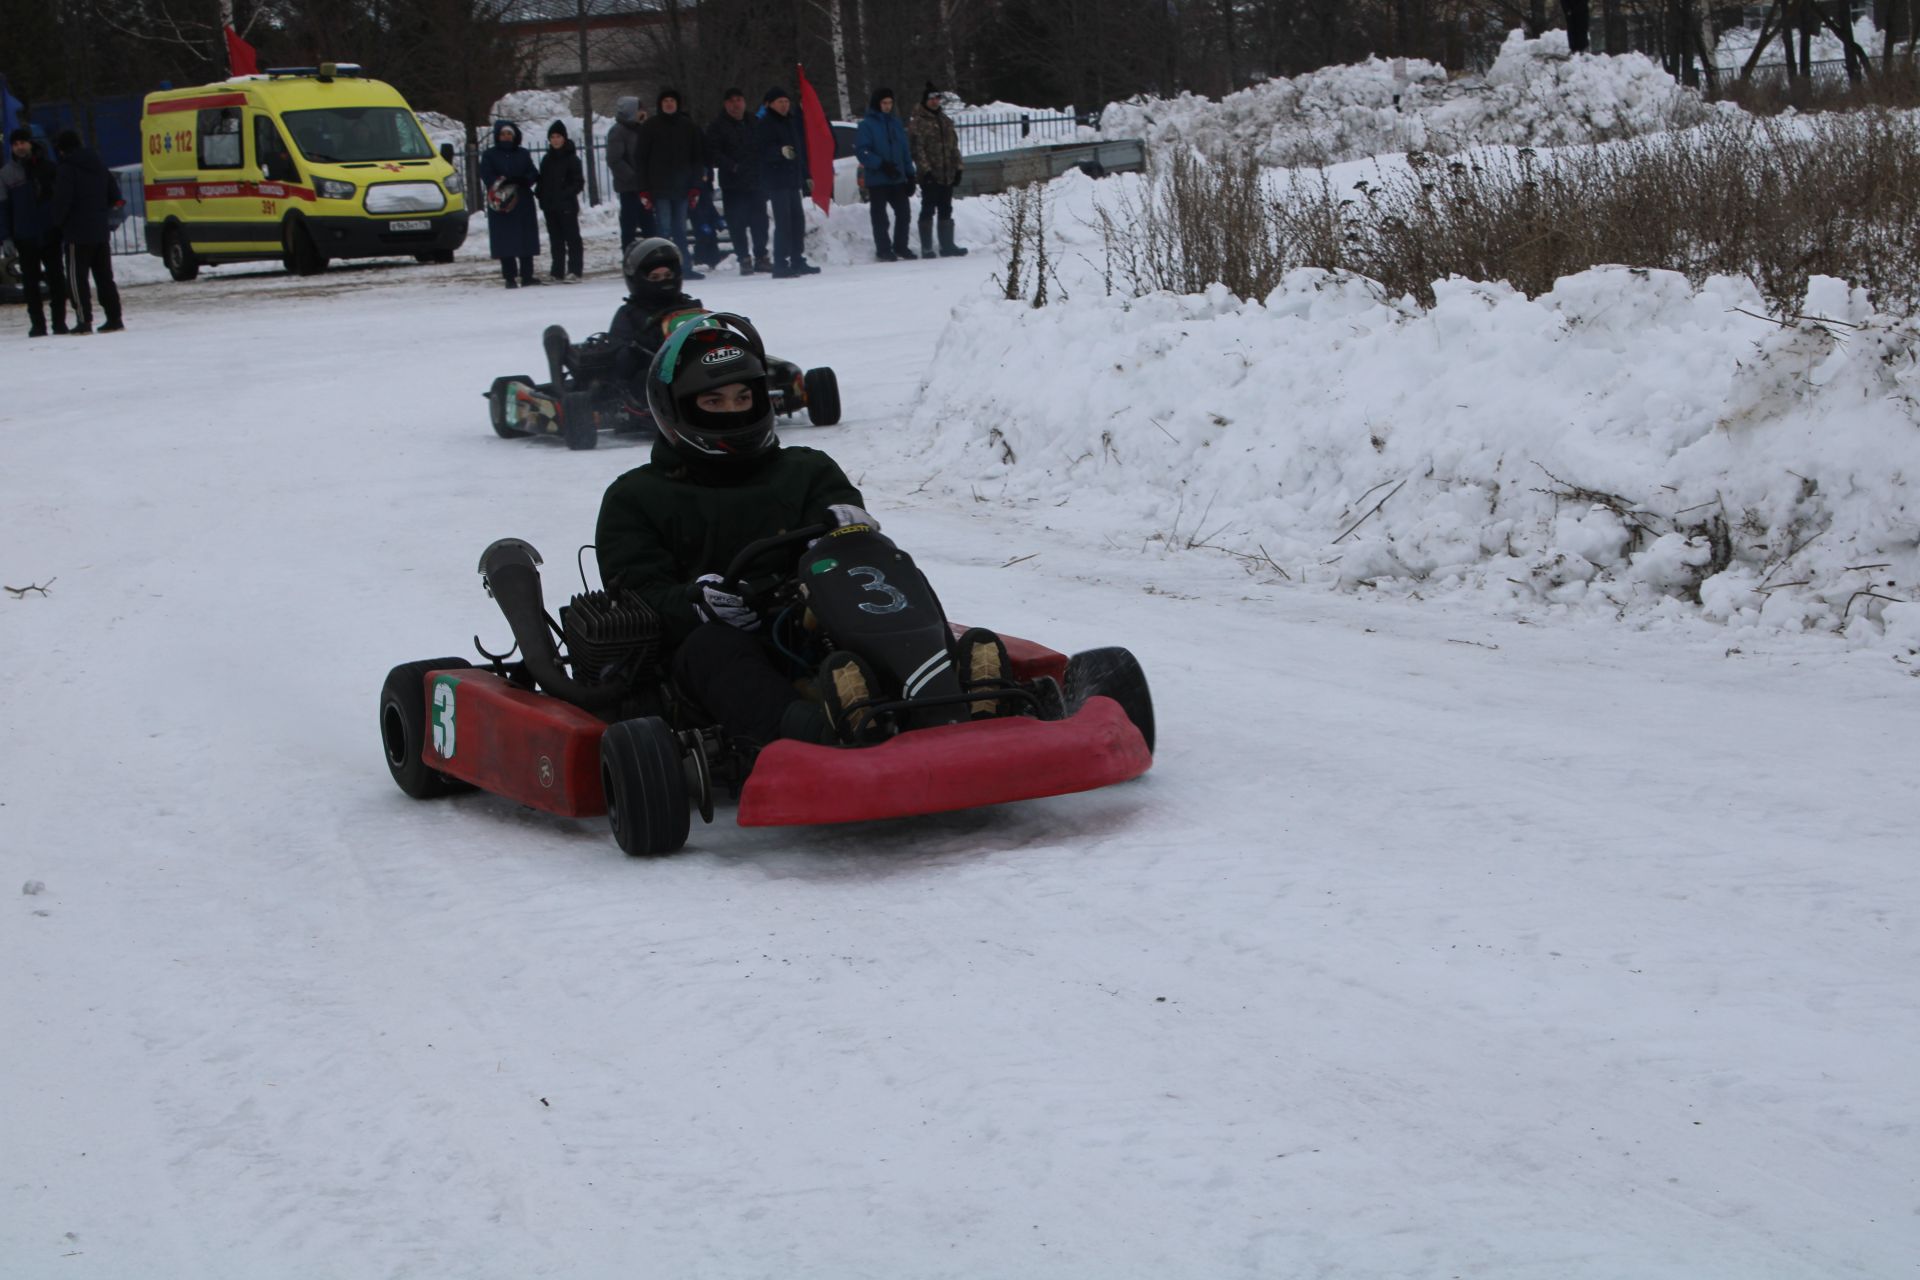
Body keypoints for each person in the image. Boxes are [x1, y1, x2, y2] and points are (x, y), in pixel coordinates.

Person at [595, 314, 1008, 748]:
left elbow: (854, 550)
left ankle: (953, 697)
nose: (734, 411)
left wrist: (848, 532)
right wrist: (695, 602)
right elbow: (636, 594)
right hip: (714, 656)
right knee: (712, 647)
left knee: (888, 576)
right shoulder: (637, 496)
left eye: (742, 397)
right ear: (675, 408)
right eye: (714, 402)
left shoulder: (808, 469)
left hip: (815, 628)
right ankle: (824, 733)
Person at [48, 129, 123, 334]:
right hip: (100, 230)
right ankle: (114, 318)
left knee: (76, 277)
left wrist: (58, 223)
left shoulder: (66, 169)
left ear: (62, 150)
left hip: (76, 232)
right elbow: (114, 195)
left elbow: (63, 200)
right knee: (104, 276)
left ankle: (84, 320)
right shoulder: (98, 164)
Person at [607, 236, 705, 384]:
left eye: (668, 275)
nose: (664, 281)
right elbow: (620, 367)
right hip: (654, 383)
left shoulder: (691, 307)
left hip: (699, 373)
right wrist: (640, 345)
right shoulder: (628, 314)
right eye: (655, 277)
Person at [0, 128, 68, 336]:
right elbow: (3, 208)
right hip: (25, 235)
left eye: (23, 142)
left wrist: (62, 227)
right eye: (16, 144)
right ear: (11, 147)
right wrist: (6, 237)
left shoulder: (49, 168)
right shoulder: (6, 173)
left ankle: (59, 322)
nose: (20, 147)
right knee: (30, 283)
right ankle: (37, 324)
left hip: (50, 232)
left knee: (56, 280)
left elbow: (61, 200)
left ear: (31, 143)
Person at [635, 88, 707, 281]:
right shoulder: (650, 127)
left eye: (672, 101)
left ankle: (684, 266)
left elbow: (697, 159)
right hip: (660, 189)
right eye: (665, 100)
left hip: (682, 189)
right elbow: (641, 159)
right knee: (664, 231)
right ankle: (665, 269)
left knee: (680, 231)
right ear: (660, 104)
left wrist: (695, 186)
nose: (669, 104)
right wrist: (644, 189)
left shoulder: (688, 126)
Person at [754, 86, 818, 278]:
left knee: (797, 220)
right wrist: (778, 152)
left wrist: (806, 174)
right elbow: (761, 151)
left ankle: (797, 259)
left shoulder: (790, 121)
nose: (784, 105)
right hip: (776, 180)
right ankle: (780, 263)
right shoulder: (764, 123)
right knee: (783, 222)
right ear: (770, 104)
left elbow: (799, 152)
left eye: (786, 101)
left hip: (792, 179)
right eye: (780, 102)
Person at [705, 87, 769, 275]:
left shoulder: (754, 122)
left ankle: (761, 256)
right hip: (733, 183)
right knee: (737, 223)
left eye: (739, 100)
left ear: (744, 102)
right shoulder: (717, 126)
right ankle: (744, 258)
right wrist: (731, 166)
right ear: (726, 104)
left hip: (755, 181)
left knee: (760, 222)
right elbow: (713, 152)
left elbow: (763, 147)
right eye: (731, 101)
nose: (736, 104)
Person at [855, 87, 917, 262]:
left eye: (890, 103)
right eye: (884, 103)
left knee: (904, 213)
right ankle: (883, 249)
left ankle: (901, 246)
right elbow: (862, 151)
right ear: (877, 104)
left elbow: (904, 150)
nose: (888, 106)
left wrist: (910, 175)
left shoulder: (896, 123)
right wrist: (880, 164)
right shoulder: (867, 125)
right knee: (880, 217)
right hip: (878, 178)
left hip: (897, 177)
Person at [908, 83, 969, 258]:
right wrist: (925, 171)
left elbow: (953, 146)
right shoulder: (918, 122)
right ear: (925, 100)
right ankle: (926, 247)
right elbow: (917, 150)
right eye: (931, 98)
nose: (935, 101)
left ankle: (947, 245)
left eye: (937, 98)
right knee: (928, 208)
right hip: (930, 174)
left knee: (946, 208)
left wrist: (958, 167)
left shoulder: (945, 120)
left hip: (947, 173)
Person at [478, 119, 541, 289]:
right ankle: (510, 277)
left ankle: (527, 275)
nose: (506, 137)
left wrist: (524, 180)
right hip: (502, 201)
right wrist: (501, 183)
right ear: (498, 136)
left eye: (509, 134)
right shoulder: (490, 155)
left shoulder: (522, 153)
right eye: (503, 134)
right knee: (505, 240)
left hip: (523, 201)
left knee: (525, 238)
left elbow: (533, 172)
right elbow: (486, 174)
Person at [537, 120, 585, 282]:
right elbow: (542, 181)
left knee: (572, 238)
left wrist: (566, 194)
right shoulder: (547, 160)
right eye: (552, 137)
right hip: (550, 206)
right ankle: (557, 271)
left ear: (564, 138)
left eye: (558, 136)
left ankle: (575, 270)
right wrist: (541, 195)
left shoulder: (571, 159)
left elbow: (578, 182)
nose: (555, 140)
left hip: (567, 205)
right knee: (555, 240)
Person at [606, 96, 654, 251]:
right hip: (629, 188)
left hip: (644, 185)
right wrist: (633, 177)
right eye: (640, 109)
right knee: (629, 226)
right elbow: (614, 159)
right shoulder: (618, 131)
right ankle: (629, 254)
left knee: (650, 225)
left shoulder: (641, 129)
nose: (644, 112)